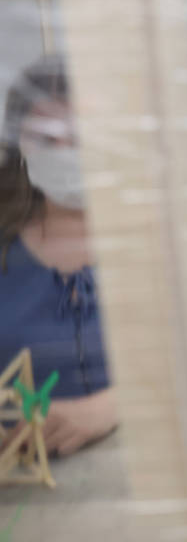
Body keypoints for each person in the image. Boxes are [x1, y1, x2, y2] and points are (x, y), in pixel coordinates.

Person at [0, 55, 117, 456]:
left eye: (82, 136)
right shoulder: (4, 238)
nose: (66, 153)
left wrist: (107, 408)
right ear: (20, 147)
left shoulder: (165, 234)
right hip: (24, 489)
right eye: (48, 139)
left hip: (154, 473)